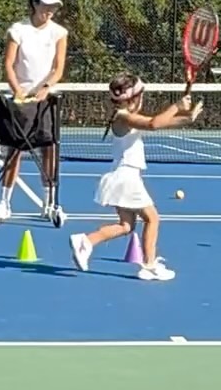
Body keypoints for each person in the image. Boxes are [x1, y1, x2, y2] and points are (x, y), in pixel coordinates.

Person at [69, 72, 202, 282]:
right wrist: (177, 106)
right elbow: (153, 124)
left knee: (126, 226)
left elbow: (156, 122)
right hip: (126, 177)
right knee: (152, 218)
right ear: (133, 98)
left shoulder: (123, 116)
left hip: (122, 176)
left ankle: (86, 241)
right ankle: (149, 266)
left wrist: (187, 118)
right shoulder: (123, 117)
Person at [0, 0, 68, 222]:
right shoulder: (17, 30)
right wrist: (18, 91)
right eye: (45, 6)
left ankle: (49, 202)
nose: (49, 11)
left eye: (53, 7)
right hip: (19, 100)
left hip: (46, 101)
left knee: (49, 148)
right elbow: (8, 64)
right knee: (14, 151)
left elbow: (58, 68)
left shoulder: (59, 33)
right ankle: (4, 202)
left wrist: (46, 88)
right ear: (34, 4)